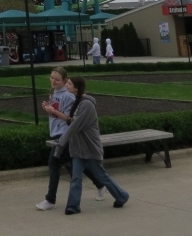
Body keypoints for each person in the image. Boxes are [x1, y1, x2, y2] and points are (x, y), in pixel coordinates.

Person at [53, 76, 129, 214]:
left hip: (90, 148)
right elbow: (72, 122)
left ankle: (122, 196)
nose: (67, 86)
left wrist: (61, 142)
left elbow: (75, 125)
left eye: (69, 84)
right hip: (78, 149)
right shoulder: (77, 102)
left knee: (101, 176)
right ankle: (72, 207)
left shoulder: (86, 104)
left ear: (77, 88)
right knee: (76, 177)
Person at [37, 67, 106, 211]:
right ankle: (100, 184)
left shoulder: (68, 96)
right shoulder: (54, 92)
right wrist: (48, 109)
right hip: (57, 133)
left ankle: (50, 200)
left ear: (64, 81)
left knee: (54, 164)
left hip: (66, 134)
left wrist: (53, 111)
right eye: (52, 78)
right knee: (77, 164)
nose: (53, 81)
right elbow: (56, 113)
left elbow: (70, 119)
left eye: (57, 79)